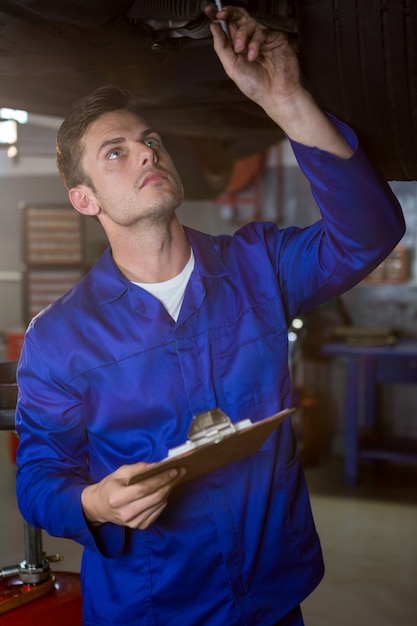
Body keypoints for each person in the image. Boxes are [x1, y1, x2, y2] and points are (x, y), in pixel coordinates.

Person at [15, 4, 405, 626]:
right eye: (115, 152)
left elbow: (371, 233)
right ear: (84, 199)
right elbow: (37, 476)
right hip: (152, 608)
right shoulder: (60, 338)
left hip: (273, 595)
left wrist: (288, 102)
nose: (144, 154)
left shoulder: (258, 265)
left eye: (150, 142)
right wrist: (93, 501)